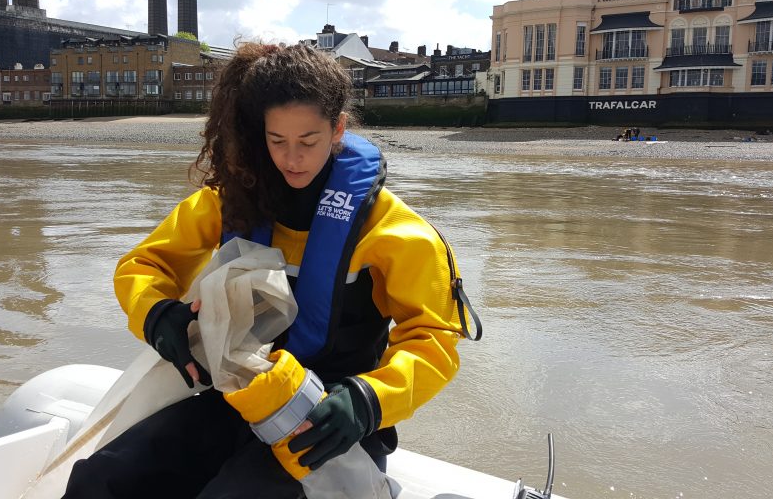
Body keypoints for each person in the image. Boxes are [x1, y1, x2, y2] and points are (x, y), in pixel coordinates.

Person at [63, 42, 478, 499]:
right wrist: (157, 313)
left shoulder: (395, 230)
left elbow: (434, 339)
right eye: (277, 141)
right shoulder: (230, 202)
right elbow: (143, 265)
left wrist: (369, 400)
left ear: (337, 129)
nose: (291, 159)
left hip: (332, 423)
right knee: (100, 479)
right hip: (239, 401)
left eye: (308, 141)